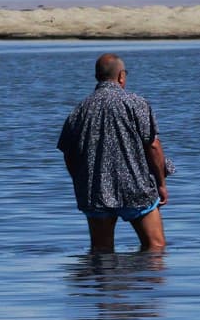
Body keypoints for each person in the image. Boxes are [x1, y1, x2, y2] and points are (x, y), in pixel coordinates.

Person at [58, 53, 168, 252]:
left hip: (96, 191)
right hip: (136, 188)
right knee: (156, 247)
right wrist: (161, 183)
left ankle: (107, 281)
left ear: (97, 77)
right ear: (121, 77)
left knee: (102, 252)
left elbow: (68, 153)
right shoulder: (136, 103)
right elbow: (153, 146)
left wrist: (82, 182)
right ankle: (147, 282)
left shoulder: (79, 110)